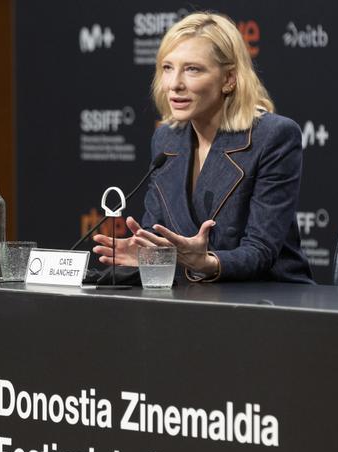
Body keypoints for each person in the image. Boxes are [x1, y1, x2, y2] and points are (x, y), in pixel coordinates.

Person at [93, 12, 313, 283]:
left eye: (192, 69)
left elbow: (261, 251)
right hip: (195, 301)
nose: (175, 84)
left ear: (229, 79)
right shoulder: (166, 140)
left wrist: (209, 262)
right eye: (167, 67)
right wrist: (146, 253)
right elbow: (156, 233)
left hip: (268, 301)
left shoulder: (274, 136)